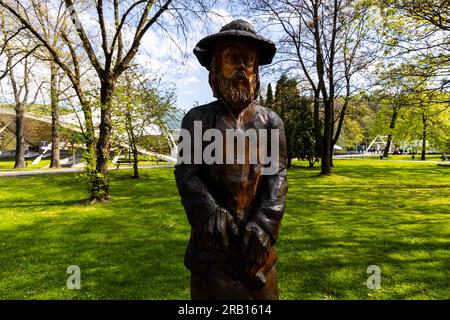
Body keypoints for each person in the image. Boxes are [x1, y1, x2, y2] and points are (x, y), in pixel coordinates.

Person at [174, 20, 287, 300]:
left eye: (247, 60)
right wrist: (209, 212)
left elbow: (278, 176)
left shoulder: (270, 122)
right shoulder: (196, 119)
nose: (240, 68)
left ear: (256, 70)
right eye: (231, 59)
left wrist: (264, 223)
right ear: (215, 66)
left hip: (256, 254)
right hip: (210, 252)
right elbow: (186, 173)